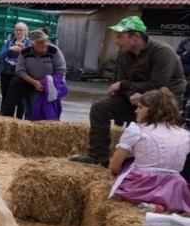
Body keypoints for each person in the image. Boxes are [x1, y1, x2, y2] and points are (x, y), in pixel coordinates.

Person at [71, 16, 188, 166]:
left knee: (143, 123)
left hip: (164, 101)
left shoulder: (162, 52)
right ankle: (98, 157)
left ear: (136, 36)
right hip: (136, 97)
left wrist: (128, 88)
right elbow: (119, 84)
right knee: (100, 108)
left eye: (120, 36)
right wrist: (131, 93)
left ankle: (143, 163)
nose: (116, 41)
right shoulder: (124, 55)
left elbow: (158, 84)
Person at [107, 87, 190, 212]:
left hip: (141, 185)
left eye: (140, 107)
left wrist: (120, 175)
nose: (136, 111)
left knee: (127, 164)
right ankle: (163, 205)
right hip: (175, 188)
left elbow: (114, 165)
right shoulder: (185, 134)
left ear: (154, 111)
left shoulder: (137, 130)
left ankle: (149, 202)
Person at [0, 28, 67, 120]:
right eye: (41, 42)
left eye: (45, 41)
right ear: (33, 44)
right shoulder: (25, 53)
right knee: (15, 82)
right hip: (31, 81)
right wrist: (34, 82)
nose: (45, 44)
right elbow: (19, 70)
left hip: (51, 83)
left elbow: (61, 70)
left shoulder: (54, 51)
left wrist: (45, 83)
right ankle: (6, 115)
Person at [0, 22, 30, 117]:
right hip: (6, 70)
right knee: (5, 93)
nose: (18, 32)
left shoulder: (28, 43)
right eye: (16, 30)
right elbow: (1, 56)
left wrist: (23, 50)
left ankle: (19, 117)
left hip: (19, 72)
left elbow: (30, 57)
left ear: (25, 31)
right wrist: (10, 49)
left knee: (19, 95)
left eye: (21, 30)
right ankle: (4, 112)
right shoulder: (9, 43)